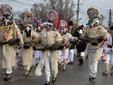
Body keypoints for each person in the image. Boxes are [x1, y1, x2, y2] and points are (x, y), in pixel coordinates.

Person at [35, 10, 63, 85]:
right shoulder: (42, 32)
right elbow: (38, 39)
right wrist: (34, 36)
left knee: (53, 65)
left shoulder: (55, 32)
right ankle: (47, 79)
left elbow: (59, 41)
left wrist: (56, 45)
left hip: (53, 52)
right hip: (45, 52)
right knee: (46, 65)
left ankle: (54, 75)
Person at [82, 7, 110, 80]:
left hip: (97, 46)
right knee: (90, 61)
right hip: (90, 46)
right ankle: (91, 74)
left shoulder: (100, 28)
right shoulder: (88, 28)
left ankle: (94, 74)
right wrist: (81, 38)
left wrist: (105, 37)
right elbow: (84, 35)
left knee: (94, 61)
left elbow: (107, 34)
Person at [0, 4, 24, 81]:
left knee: (8, 59)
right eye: (5, 14)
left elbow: (18, 34)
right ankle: (6, 72)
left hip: (9, 45)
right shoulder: (1, 25)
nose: (6, 16)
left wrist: (21, 43)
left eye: (7, 14)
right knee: (3, 59)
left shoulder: (14, 26)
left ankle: (9, 73)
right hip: (2, 45)